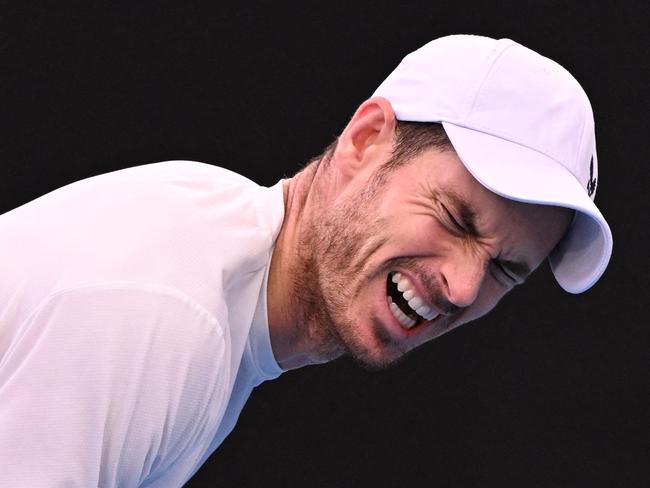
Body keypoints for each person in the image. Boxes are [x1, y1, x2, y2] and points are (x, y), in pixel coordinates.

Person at [0, 34, 612, 486]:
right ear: (366, 141)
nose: (462, 286)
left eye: (506, 269)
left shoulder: (215, 250)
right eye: (455, 217)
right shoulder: (173, 311)